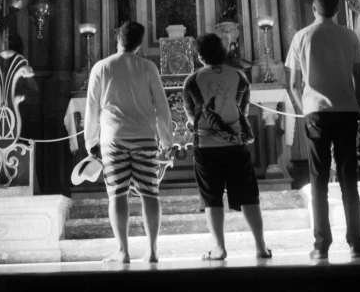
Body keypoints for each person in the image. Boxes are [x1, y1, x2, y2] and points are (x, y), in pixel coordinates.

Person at [284, 0, 360, 262]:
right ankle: (357, 243)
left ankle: (321, 244)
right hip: (347, 111)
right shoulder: (349, 35)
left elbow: (292, 84)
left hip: (316, 114)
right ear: (337, 9)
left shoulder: (301, 36)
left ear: (313, 8)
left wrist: (306, 111)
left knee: (318, 179)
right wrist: (356, 106)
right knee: (350, 180)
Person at [84, 21, 174, 263]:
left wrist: (90, 141)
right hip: (145, 137)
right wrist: (166, 139)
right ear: (140, 43)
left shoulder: (101, 67)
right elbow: (162, 106)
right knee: (150, 193)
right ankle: (152, 251)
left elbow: (91, 109)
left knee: (117, 194)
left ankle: (123, 251)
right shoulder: (148, 67)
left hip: (113, 140)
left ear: (118, 39)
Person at [183, 33, 272, 261]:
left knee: (211, 198)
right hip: (236, 145)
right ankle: (261, 247)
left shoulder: (192, 81)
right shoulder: (240, 77)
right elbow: (242, 111)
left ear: (200, 56)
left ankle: (219, 248)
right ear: (222, 52)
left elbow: (192, 116)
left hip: (206, 146)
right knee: (249, 196)